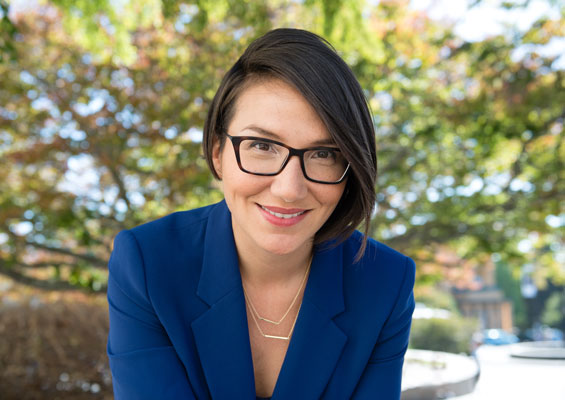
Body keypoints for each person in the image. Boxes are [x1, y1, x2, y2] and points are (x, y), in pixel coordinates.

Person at [106, 28, 415, 400]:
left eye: (323, 154)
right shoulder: (147, 263)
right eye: (262, 146)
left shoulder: (386, 282)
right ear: (218, 152)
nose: (289, 189)